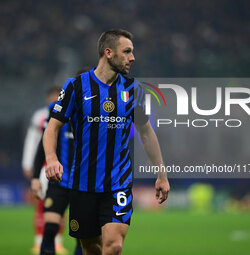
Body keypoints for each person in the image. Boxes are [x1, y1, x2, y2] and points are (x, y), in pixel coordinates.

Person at [43, 29, 170, 255]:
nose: (132, 58)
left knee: (114, 246)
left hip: (117, 183)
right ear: (108, 53)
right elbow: (52, 127)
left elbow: (146, 133)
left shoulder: (133, 90)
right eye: (127, 52)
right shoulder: (75, 86)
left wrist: (161, 174)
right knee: (91, 248)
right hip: (82, 184)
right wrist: (51, 158)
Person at [32, 88, 83, 255]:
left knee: (82, 236)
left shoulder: (96, 115)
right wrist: (35, 177)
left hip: (84, 185)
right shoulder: (57, 111)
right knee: (50, 228)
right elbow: (43, 144)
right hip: (59, 181)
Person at [22, 87, 67, 254]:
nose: (55, 98)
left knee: (59, 207)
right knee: (42, 204)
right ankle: (38, 239)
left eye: (57, 95)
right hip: (43, 167)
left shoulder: (68, 111)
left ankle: (57, 241)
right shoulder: (40, 115)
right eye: (52, 96)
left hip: (62, 167)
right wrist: (29, 165)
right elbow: (34, 141)